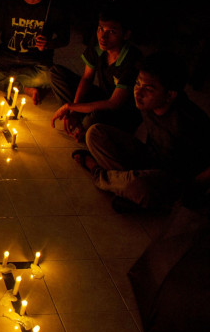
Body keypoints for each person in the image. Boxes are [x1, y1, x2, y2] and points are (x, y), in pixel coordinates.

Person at [73, 51, 210, 213]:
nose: (138, 92)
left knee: (139, 186)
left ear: (170, 95)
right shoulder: (146, 103)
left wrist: (190, 189)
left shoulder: (188, 120)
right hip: (150, 159)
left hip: (172, 180)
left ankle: (98, 172)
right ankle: (125, 189)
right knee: (95, 133)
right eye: (137, 84)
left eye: (148, 89)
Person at [50, 5, 142, 141]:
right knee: (56, 73)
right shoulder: (99, 45)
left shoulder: (131, 60)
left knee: (93, 120)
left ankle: (83, 123)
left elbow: (114, 103)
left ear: (126, 34)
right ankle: (75, 116)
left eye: (111, 32)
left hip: (121, 112)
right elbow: (87, 78)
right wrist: (75, 109)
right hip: (102, 97)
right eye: (100, 29)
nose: (103, 37)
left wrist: (72, 106)